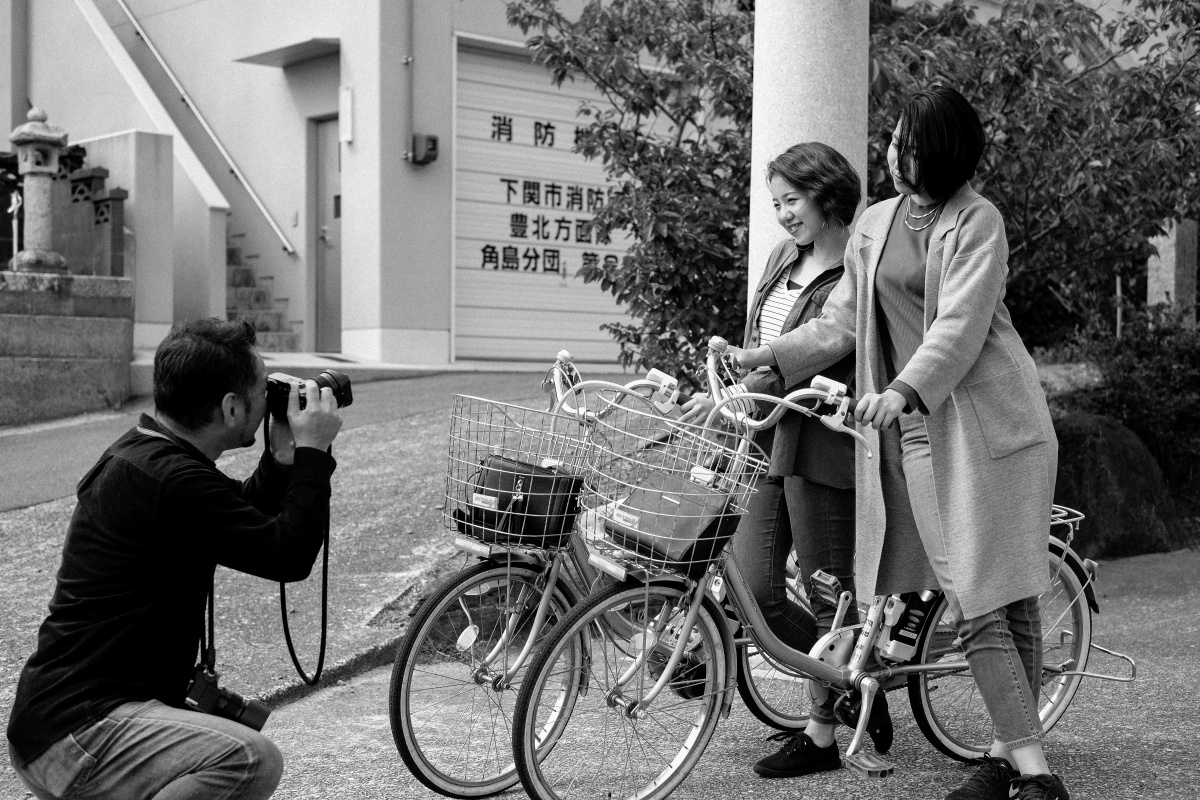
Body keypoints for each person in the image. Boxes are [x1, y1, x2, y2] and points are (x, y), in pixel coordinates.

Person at [727, 86, 1068, 800]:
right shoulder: (876, 222)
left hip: (990, 428)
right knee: (982, 593)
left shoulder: (977, 220)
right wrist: (768, 358)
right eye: (893, 140)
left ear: (940, 154)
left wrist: (904, 389)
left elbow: (959, 327)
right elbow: (841, 323)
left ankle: (1020, 763)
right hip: (917, 431)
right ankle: (1020, 758)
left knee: (995, 595)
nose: (892, 154)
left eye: (907, 144)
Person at [6, 317, 343, 800]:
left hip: (59, 724)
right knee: (248, 758)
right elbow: (288, 555)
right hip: (80, 733)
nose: (273, 399)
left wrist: (284, 459)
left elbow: (240, 515)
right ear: (230, 408)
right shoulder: (173, 480)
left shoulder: (150, 455)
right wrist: (314, 454)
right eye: (262, 389)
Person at [682, 141, 891, 779]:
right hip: (766, 433)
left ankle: (823, 734)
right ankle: (857, 683)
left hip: (824, 438)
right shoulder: (782, 256)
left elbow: (834, 332)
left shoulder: (862, 259)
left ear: (827, 197)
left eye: (792, 201)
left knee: (831, 590)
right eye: (776, 203)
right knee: (759, 591)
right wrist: (727, 385)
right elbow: (758, 337)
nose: (782, 215)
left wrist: (757, 363)